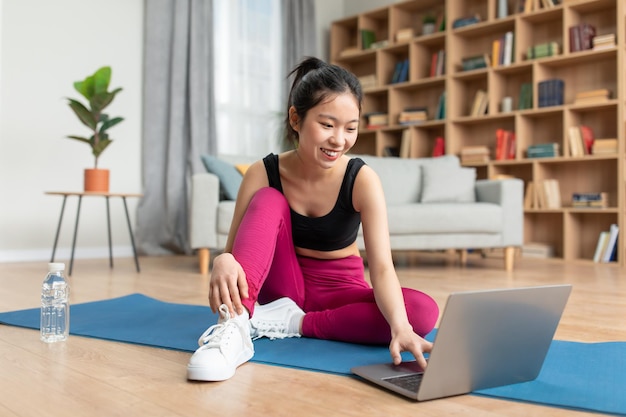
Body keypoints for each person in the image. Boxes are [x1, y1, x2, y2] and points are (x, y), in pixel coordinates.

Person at [187, 57, 439, 382]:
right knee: (268, 198)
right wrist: (223, 259)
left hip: (339, 291)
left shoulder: (361, 179)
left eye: (351, 128)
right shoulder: (263, 172)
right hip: (280, 287)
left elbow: (382, 268)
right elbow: (234, 251)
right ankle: (234, 327)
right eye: (327, 124)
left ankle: (291, 323)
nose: (339, 139)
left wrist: (401, 327)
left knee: (422, 312)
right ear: (296, 118)